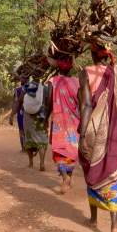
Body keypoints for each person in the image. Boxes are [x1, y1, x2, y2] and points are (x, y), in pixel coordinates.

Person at [78, 44, 117, 232]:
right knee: (114, 173)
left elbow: (86, 104)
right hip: (116, 130)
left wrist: (83, 132)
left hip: (95, 129)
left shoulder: (86, 72)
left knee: (92, 169)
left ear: (93, 53)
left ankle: (93, 219)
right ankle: (115, 225)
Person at [47, 54, 80, 194]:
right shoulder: (78, 82)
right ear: (71, 66)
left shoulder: (52, 81)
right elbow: (82, 102)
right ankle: (68, 177)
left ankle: (65, 177)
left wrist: (44, 119)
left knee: (59, 151)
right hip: (75, 121)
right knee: (71, 151)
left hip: (59, 122)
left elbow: (48, 102)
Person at [17, 78, 51, 171]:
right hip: (41, 116)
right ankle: (42, 163)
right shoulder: (45, 88)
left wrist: (19, 110)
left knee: (29, 139)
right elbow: (48, 103)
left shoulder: (26, 86)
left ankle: (31, 163)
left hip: (28, 117)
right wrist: (47, 117)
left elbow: (20, 100)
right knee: (42, 139)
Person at [9, 76, 28, 152]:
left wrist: (12, 115)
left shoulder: (18, 90)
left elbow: (16, 103)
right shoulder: (34, 88)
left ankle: (24, 148)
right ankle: (26, 148)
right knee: (23, 131)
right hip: (26, 112)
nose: (21, 79)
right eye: (21, 78)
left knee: (22, 131)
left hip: (22, 112)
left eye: (23, 78)